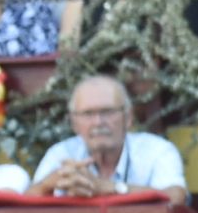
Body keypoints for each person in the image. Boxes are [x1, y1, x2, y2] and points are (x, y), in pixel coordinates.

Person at [26, 73, 188, 203]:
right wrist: (48, 185)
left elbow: (176, 197)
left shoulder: (157, 150)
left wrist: (111, 188)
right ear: (74, 123)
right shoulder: (61, 153)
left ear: (128, 117)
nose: (98, 122)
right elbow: (24, 206)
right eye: (88, 114)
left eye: (107, 112)